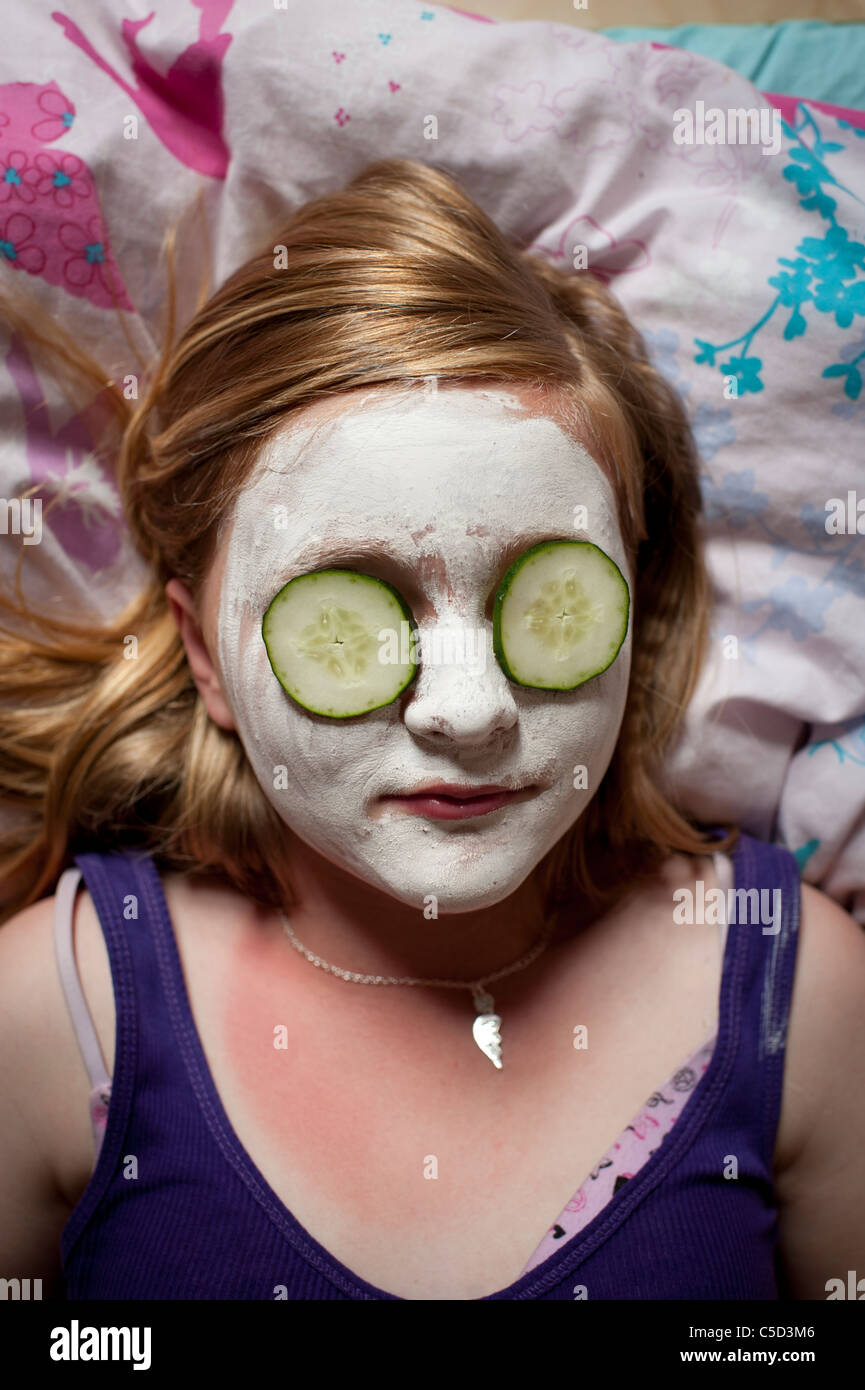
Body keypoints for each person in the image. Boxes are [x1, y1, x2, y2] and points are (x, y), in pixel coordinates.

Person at [0, 158, 863, 1302]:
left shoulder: (798, 992)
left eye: (542, 599)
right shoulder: (57, 1012)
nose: (468, 711)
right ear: (206, 658)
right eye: (351, 608)